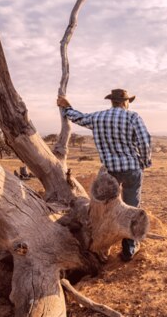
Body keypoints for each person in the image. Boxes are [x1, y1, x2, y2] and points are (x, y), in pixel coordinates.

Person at [57, 88, 152, 261]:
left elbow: (77, 117)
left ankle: (100, 243)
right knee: (131, 205)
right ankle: (129, 249)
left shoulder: (98, 117)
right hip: (131, 168)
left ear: (112, 101)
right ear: (125, 102)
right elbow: (145, 141)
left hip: (110, 172)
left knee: (109, 208)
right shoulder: (132, 117)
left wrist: (66, 107)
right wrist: (145, 162)